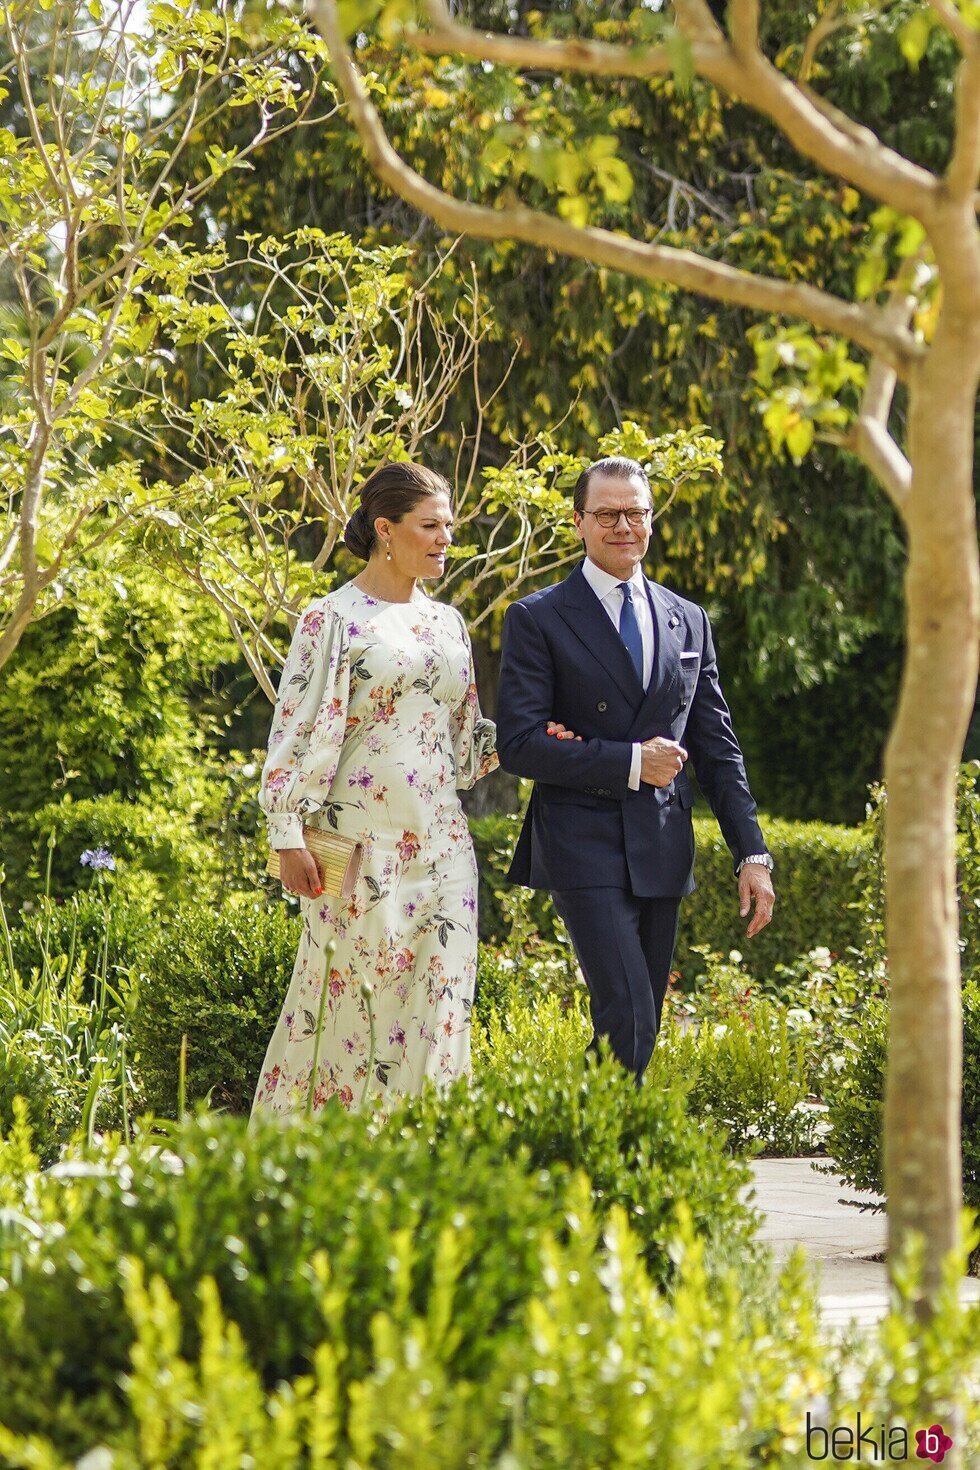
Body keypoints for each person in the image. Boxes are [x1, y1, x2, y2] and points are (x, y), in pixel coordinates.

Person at [495, 455, 775, 1083]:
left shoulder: (688, 618)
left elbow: (715, 746)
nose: (623, 525)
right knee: (630, 1014)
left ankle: (586, 1154)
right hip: (580, 841)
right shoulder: (537, 617)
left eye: (636, 513)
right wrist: (628, 761)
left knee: (633, 1022)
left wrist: (751, 855)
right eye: (607, 514)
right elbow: (518, 743)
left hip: (661, 843)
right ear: (579, 523)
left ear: (651, 519)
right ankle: (599, 1156)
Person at [250, 463, 498, 1120]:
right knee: (342, 1016)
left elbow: (466, 745)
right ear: (386, 530)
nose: (445, 538)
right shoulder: (330, 619)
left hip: (443, 853)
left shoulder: (450, 625)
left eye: (449, 525)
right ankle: (308, 1165)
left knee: (440, 1015)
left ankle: (424, 1169)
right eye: (431, 525)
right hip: (357, 851)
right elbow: (298, 729)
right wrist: (287, 832)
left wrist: (535, 730)